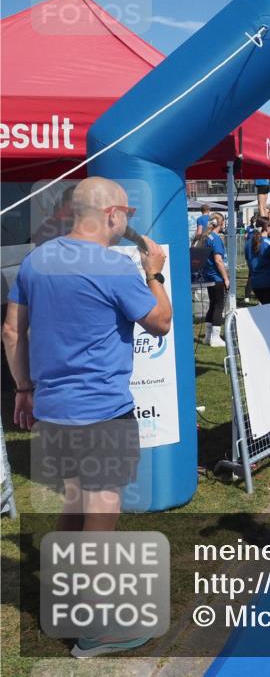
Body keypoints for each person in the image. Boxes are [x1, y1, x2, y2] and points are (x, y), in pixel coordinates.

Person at [2, 176, 171, 657]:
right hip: (101, 410)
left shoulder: (37, 260)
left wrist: (24, 389)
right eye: (127, 216)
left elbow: (12, 333)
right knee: (101, 512)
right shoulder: (114, 268)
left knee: (75, 505)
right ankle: (94, 628)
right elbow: (160, 321)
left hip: (53, 409)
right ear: (112, 213)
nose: (127, 225)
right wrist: (153, 271)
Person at [195, 212, 229, 346]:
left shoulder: (205, 237)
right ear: (221, 223)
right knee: (219, 306)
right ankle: (215, 338)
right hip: (216, 276)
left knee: (212, 305)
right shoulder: (215, 238)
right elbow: (218, 260)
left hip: (208, 276)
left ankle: (208, 337)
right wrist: (226, 278)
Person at [246, 217, 270, 304]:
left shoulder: (248, 243)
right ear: (266, 227)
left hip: (256, 283)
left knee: (265, 308)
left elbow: (248, 262)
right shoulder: (269, 243)